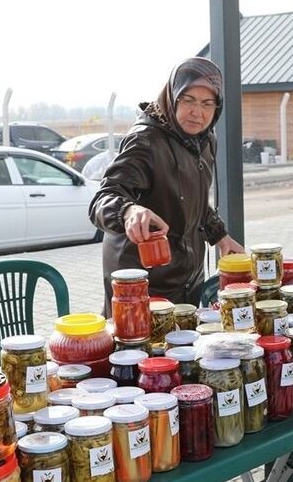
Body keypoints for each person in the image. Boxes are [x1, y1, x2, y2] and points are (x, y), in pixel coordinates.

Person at [89, 56, 244, 307]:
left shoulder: (204, 140)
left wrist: (220, 237)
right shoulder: (146, 139)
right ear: (172, 98)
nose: (198, 112)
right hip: (140, 281)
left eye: (207, 103)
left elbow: (194, 201)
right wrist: (129, 210)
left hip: (185, 278)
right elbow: (103, 199)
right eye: (188, 100)